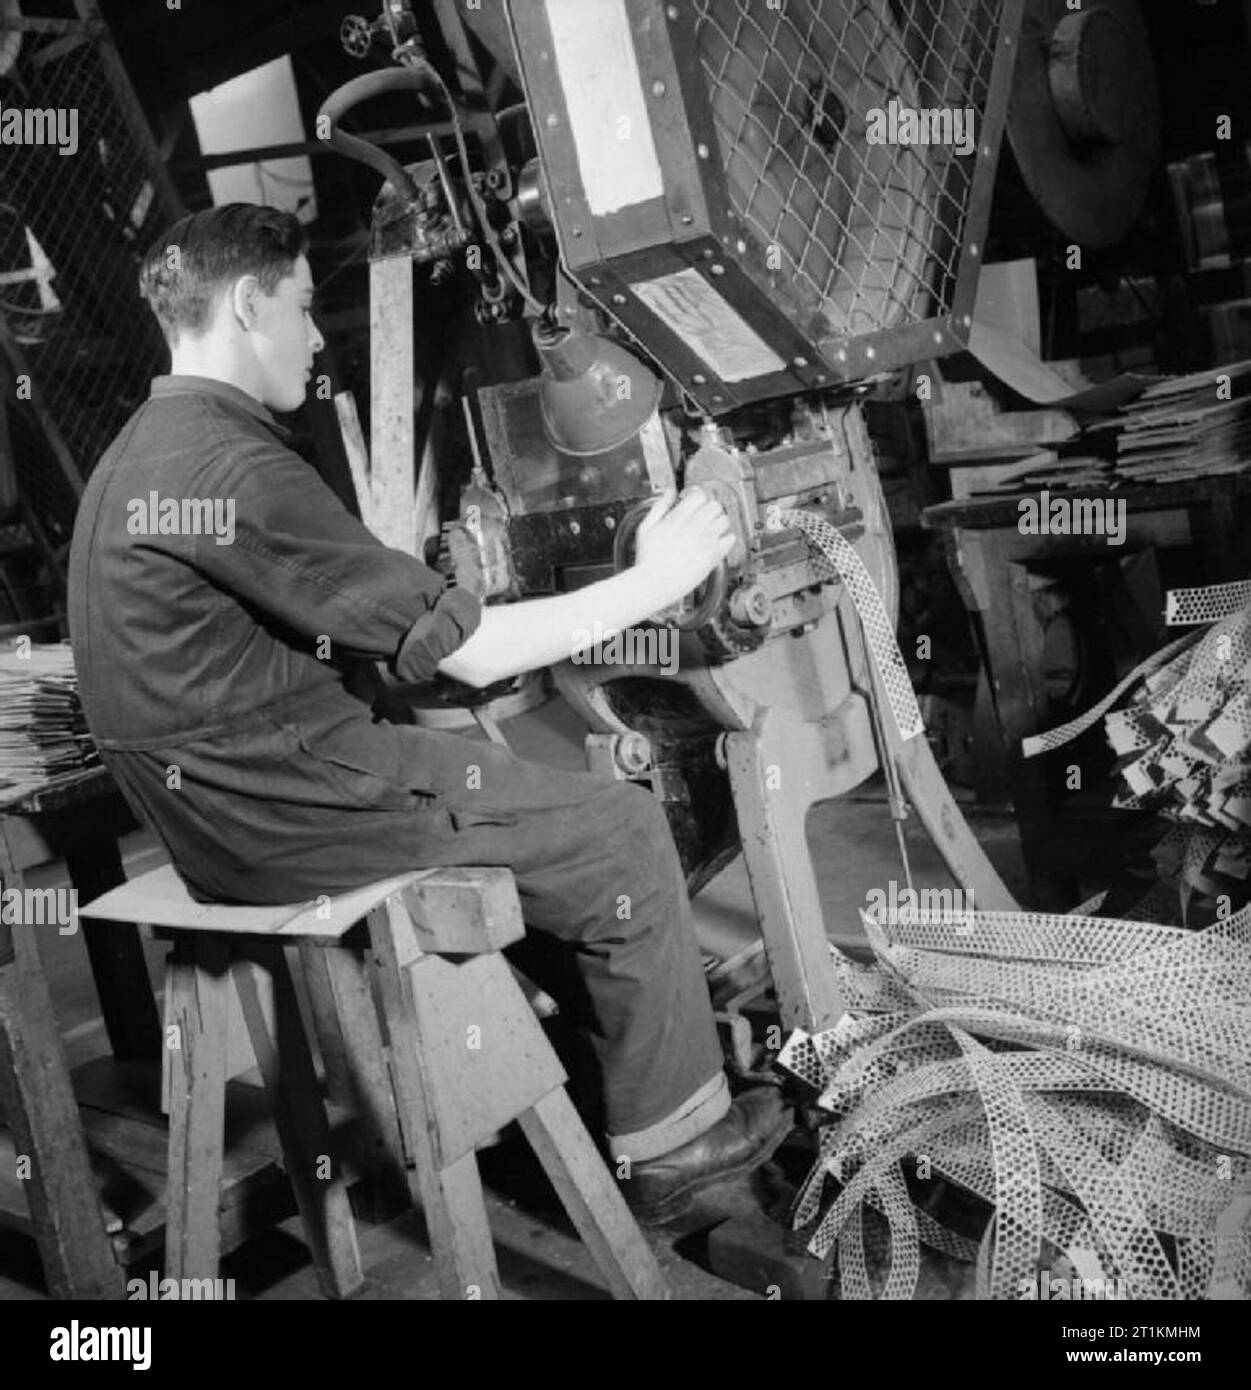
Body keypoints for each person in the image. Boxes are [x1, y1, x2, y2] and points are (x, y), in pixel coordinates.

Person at [68, 204, 791, 1226]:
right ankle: (676, 1149)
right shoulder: (236, 469)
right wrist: (655, 578)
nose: (319, 339)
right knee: (617, 832)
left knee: (533, 840)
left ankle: (607, 1098)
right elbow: (480, 648)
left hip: (215, 823)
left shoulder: (137, 458)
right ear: (245, 304)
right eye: (307, 309)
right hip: (290, 806)